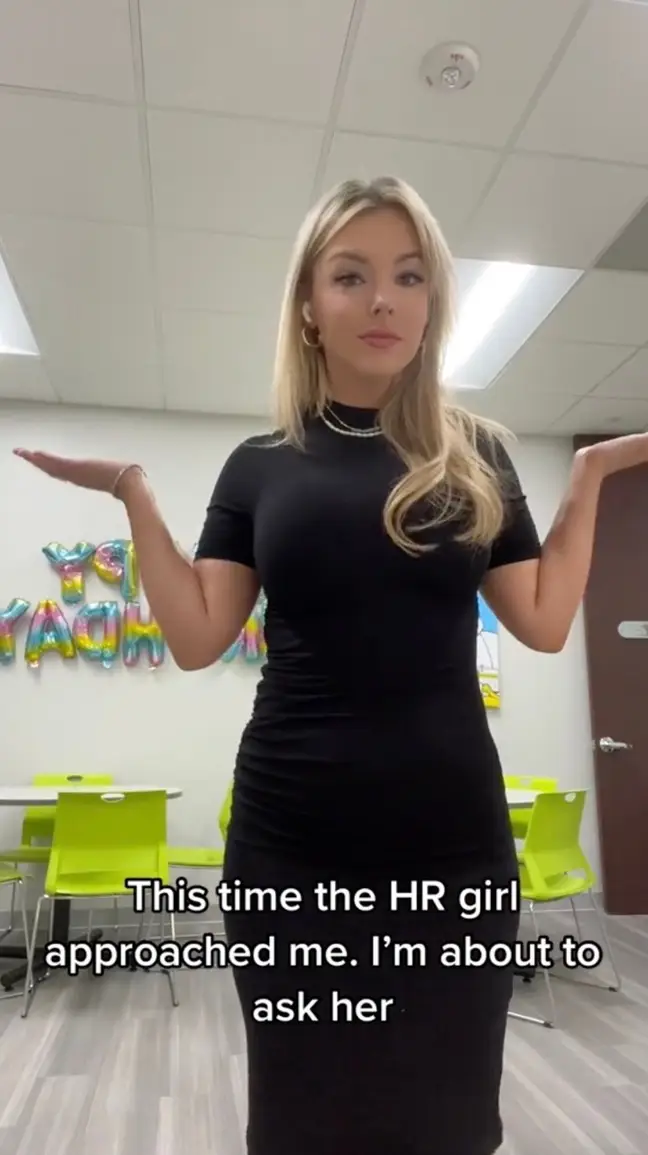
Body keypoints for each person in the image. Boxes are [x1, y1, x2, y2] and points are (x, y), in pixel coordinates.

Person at [13, 176, 648, 1155]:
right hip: (293, 844)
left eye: (408, 276)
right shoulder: (260, 464)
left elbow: (545, 620)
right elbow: (197, 635)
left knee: (448, 1117)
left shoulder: (476, 456)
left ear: (431, 303)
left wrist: (590, 475)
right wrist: (136, 492)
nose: (382, 298)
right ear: (309, 305)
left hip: (451, 845)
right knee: (306, 1113)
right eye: (351, 276)